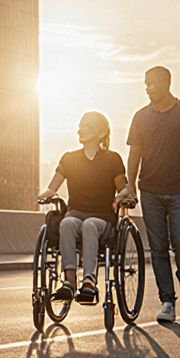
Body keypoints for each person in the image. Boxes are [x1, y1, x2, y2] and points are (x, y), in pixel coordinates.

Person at [121, 66, 180, 323]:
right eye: (146, 84)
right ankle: (167, 301)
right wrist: (130, 185)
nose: (148, 88)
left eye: (153, 84)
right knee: (157, 249)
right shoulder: (140, 117)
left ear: (166, 83)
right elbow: (134, 153)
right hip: (150, 191)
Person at [38, 112, 128, 305]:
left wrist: (125, 195)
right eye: (81, 126)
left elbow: (124, 188)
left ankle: (89, 281)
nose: (82, 129)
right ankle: (69, 282)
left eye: (88, 126)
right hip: (76, 212)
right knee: (67, 223)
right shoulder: (69, 158)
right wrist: (47, 193)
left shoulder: (112, 159)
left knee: (89, 225)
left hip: (102, 217)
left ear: (101, 132)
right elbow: (53, 186)